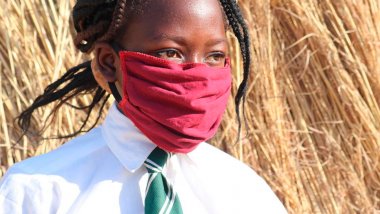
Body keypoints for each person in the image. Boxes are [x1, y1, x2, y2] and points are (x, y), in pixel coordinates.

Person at [0, 0, 287, 213]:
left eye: (214, 56)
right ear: (108, 62)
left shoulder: (246, 194)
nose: (197, 73)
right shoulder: (36, 193)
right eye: (171, 53)